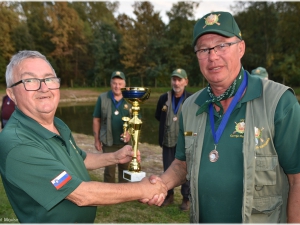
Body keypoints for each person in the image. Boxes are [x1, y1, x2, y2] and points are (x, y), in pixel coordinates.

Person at [142, 11, 300, 223]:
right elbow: (182, 164)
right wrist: (161, 183)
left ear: (241, 48)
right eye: (203, 49)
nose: (212, 56)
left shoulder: (279, 102)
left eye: (222, 46)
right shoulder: (190, 106)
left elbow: (297, 178)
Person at [0, 50, 167, 223]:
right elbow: (81, 194)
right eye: (30, 81)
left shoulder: (57, 124)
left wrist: (115, 157)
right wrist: (142, 189)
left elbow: (80, 159)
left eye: (49, 79)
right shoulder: (17, 144)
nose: (44, 88)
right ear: (11, 94)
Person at [155, 68, 191, 211]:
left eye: (179, 79)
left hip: (185, 141)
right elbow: (159, 116)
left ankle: (186, 199)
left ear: (186, 81)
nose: (176, 83)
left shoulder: (191, 99)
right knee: (167, 169)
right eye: (174, 79)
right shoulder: (164, 98)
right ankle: (169, 195)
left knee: (186, 170)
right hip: (168, 140)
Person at [93, 71, 132, 183]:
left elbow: (136, 119)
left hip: (125, 143)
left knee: (125, 170)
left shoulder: (131, 98)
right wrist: (96, 140)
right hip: (108, 142)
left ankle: (124, 194)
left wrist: (129, 132)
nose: (117, 86)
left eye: (120, 83)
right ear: (110, 84)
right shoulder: (103, 98)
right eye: (114, 83)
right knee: (109, 171)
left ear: (124, 84)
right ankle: (109, 195)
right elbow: (96, 119)